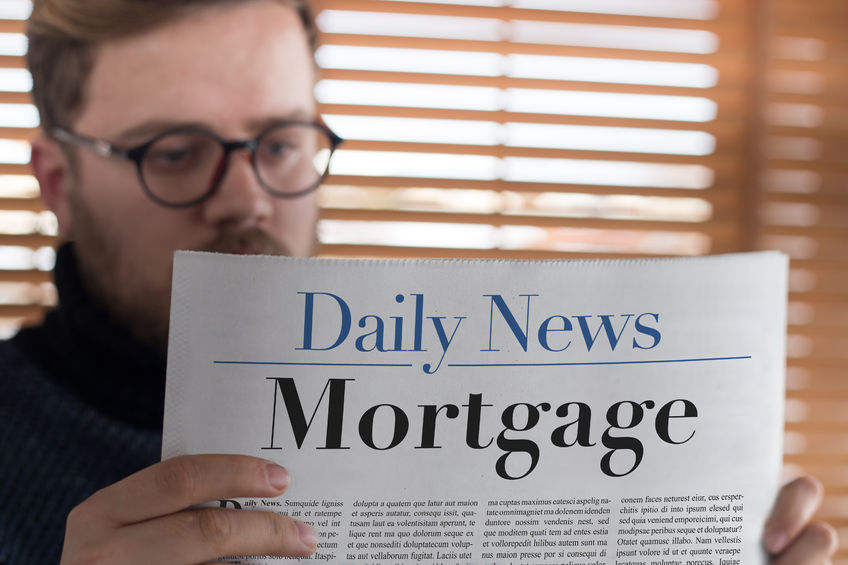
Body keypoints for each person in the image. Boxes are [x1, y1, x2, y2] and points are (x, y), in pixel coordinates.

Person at [0, 0, 837, 563]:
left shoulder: (476, 416)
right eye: (174, 153)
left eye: (282, 142)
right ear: (59, 184)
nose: (248, 197)